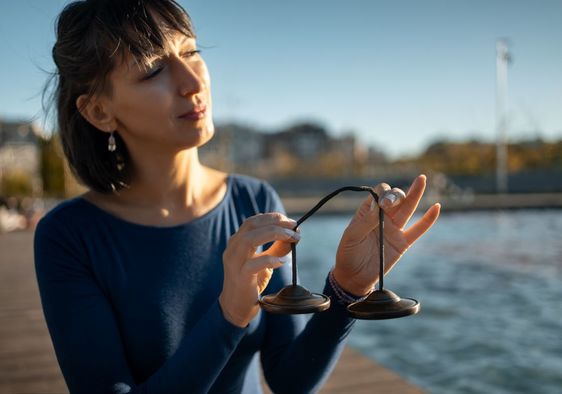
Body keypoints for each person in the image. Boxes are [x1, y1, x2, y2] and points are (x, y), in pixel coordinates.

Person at [34, 1, 441, 393]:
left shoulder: (253, 199)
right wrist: (228, 314)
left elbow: (290, 379)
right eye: (154, 69)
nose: (193, 83)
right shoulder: (70, 235)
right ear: (100, 111)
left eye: (191, 51)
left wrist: (348, 287)